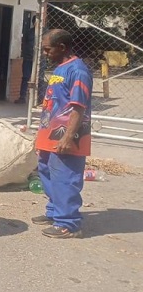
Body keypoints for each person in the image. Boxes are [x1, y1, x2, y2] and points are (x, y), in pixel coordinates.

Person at [33, 29, 92, 239]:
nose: (45, 53)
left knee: (65, 177)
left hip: (68, 136)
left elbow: (78, 107)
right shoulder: (60, 68)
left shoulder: (78, 71)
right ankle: (54, 212)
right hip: (50, 134)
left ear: (62, 47)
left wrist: (67, 137)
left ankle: (68, 224)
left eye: (47, 49)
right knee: (47, 171)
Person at [15, 19, 35, 104]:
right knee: (26, 77)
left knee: (40, 79)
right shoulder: (29, 32)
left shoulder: (44, 32)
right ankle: (22, 97)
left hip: (39, 60)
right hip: (28, 58)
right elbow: (24, 44)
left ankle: (39, 100)